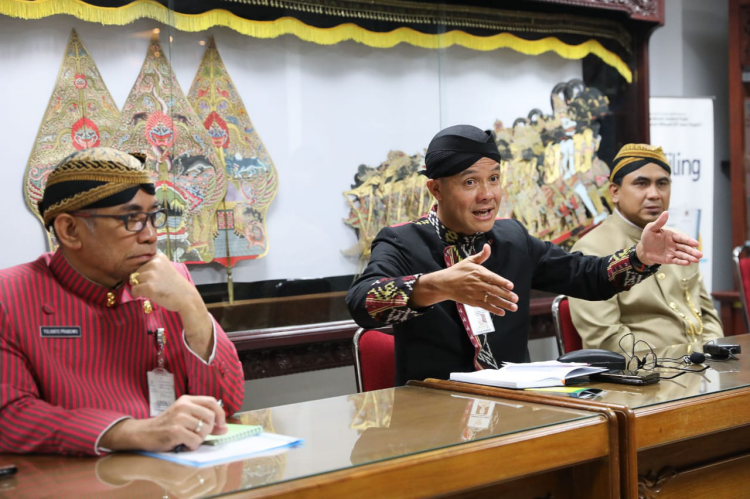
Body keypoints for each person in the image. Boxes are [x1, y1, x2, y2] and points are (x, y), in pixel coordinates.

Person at [346, 125, 703, 386]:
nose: (487, 194)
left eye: (494, 179)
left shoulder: (512, 238)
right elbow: (362, 303)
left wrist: (641, 256)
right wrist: (432, 287)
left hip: (518, 407)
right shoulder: (404, 242)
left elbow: (588, 277)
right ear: (436, 189)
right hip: (436, 409)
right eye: (470, 182)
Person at [0, 148, 245, 456]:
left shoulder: (170, 280)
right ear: (70, 230)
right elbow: (9, 417)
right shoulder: (9, 296)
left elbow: (227, 403)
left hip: (182, 476)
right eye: (132, 220)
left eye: (153, 217)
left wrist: (193, 307)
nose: (152, 236)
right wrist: (130, 431)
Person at [568, 144, 723, 351]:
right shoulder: (590, 250)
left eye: (662, 184)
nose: (654, 194)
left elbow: (708, 317)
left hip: (701, 371)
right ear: (614, 192)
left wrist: (714, 355)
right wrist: (681, 364)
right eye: (641, 184)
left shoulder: (678, 241)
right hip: (641, 376)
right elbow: (607, 338)